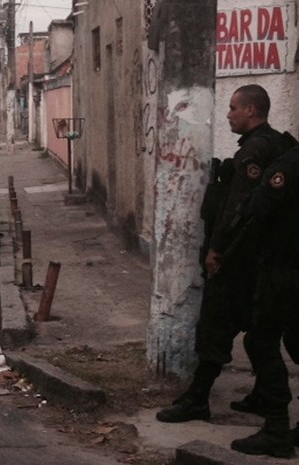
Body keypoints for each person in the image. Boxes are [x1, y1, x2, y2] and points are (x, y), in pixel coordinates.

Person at [156, 85, 291, 426]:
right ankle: (264, 396)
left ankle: (197, 399)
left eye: (233, 108)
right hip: (265, 260)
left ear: (251, 110)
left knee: (214, 329)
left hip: (239, 259)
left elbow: (238, 210)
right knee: (262, 335)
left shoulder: (254, 152)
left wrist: (216, 249)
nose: (228, 114)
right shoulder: (275, 144)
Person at [227, 145, 299, 458]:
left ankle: (276, 428)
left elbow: (259, 206)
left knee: (260, 342)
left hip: (285, 269)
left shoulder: (290, 163)